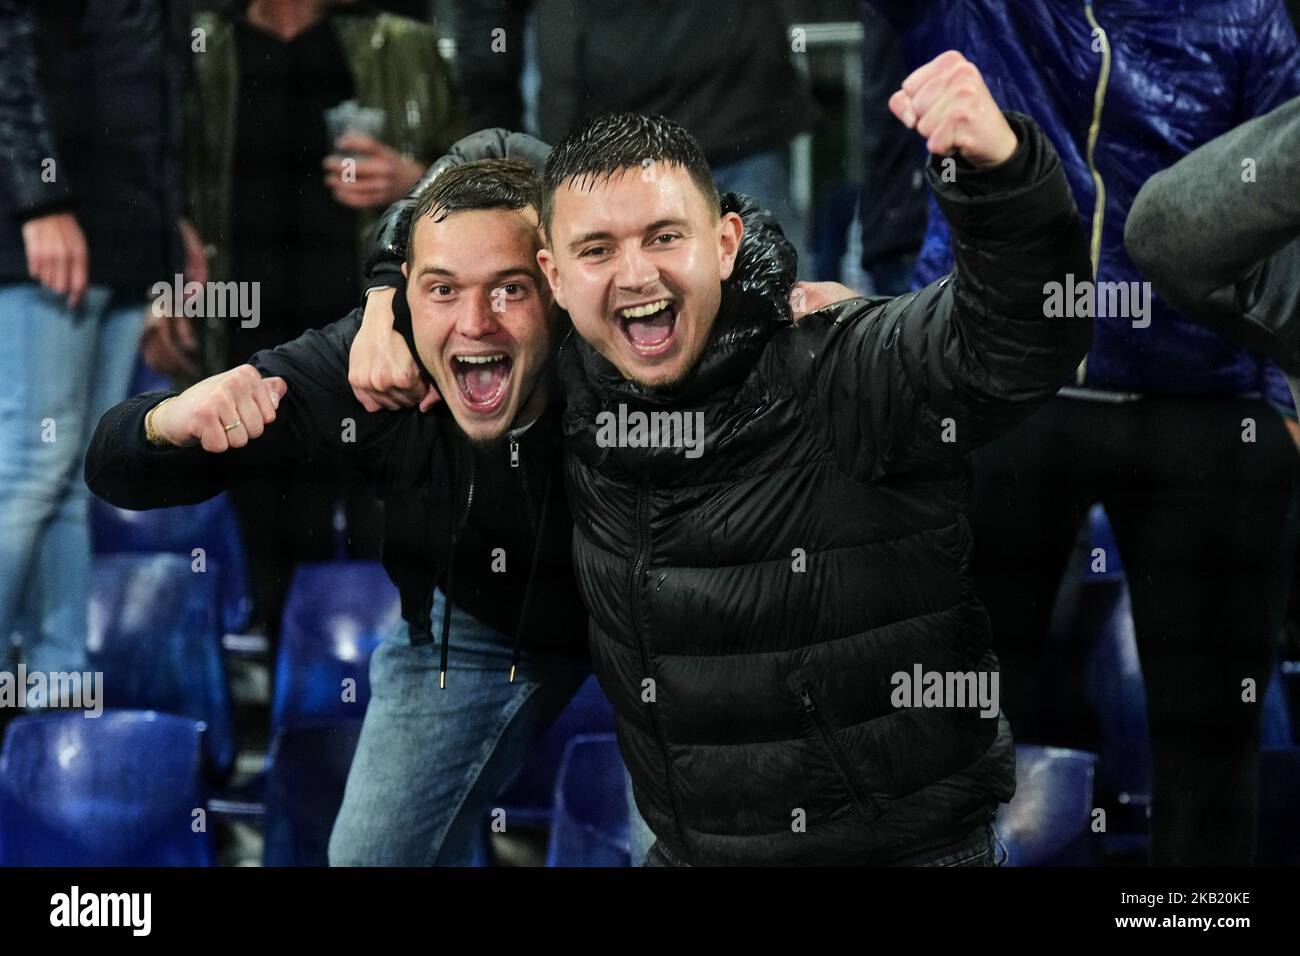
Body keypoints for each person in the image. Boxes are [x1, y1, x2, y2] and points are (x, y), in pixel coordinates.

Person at [360, 50, 1094, 865]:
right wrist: (381, 295)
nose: (636, 273)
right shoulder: (562, 375)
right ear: (555, 278)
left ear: (725, 243)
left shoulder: (839, 365)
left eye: (664, 236)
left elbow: (1013, 345)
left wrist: (1002, 177)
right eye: (598, 249)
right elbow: (475, 169)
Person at [86, 153, 803, 865]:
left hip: (668, 624)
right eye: (441, 290)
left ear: (558, 282)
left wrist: (787, 301)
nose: (474, 322)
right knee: (371, 858)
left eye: (510, 290)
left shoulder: (632, 325)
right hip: (480, 619)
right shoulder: (374, 368)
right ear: (405, 297)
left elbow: (732, 226)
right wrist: (167, 422)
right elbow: (112, 467)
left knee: (694, 855)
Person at [878, 0, 1300, 865]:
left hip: (1206, 391)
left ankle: (1194, 925)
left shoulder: (1250, 16)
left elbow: (1282, 212)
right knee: (952, 726)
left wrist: (1284, 396)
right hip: (1003, 377)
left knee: (1210, 745)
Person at [141, 0, 461, 639]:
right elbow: (163, 177)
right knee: (265, 522)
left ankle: (393, 669)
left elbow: (483, 183)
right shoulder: (201, 46)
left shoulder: (398, 43)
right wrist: (165, 282)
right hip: (245, 326)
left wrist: (419, 181)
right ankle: (278, 683)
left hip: (374, 328)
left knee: (388, 530)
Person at [0, 0, 191, 705]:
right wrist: (38, 200)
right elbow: (8, 57)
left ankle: (57, 684)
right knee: (28, 468)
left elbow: (159, 86)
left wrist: (172, 225)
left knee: (71, 476)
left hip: (124, 225)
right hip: (44, 228)